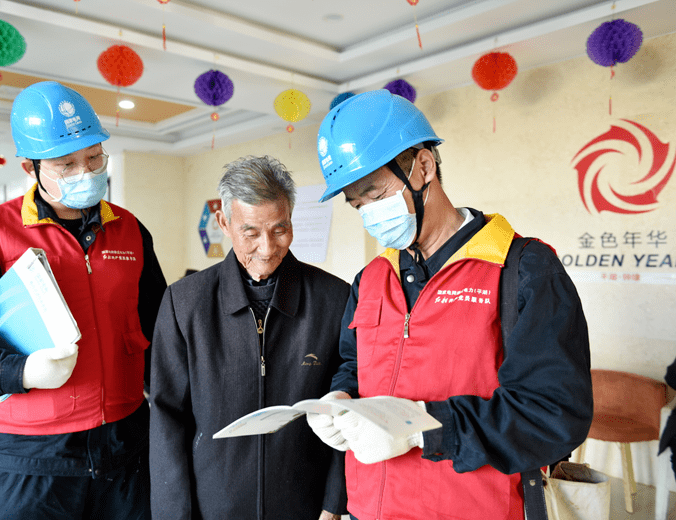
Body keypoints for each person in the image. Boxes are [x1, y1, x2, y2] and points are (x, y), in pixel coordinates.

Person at [306, 89, 593, 520]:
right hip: (370, 508)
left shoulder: (522, 269)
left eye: (375, 194)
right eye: (357, 205)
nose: (369, 215)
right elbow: (355, 363)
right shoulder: (371, 279)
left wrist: (422, 429)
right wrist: (340, 396)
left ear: (423, 166)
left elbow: (554, 414)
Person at [0, 81, 167, 520]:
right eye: (66, 164)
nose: (86, 172)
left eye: (94, 157)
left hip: (126, 441)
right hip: (32, 455)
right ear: (29, 168)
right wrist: (20, 370)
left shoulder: (129, 230)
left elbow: (160, 325)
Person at [148, 155, 350, 520]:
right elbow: (167, 419)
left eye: (279, 230)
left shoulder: (334, 299)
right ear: (224, 223)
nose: (268, 248)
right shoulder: (184, 303)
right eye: (251, 233)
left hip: (305, 506)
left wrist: (334, 503)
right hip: (213, 507)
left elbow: (346, 404)